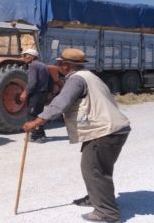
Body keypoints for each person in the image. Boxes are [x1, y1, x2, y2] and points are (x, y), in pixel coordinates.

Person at [22, 48, 131, 223]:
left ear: (66, 65)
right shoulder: (90, 76)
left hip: (104, 131)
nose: (57, 65)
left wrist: (35, 122)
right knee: (97, 168)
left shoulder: (76, 80)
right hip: (111, 129)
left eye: (59, 63)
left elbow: (60, 104)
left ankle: (108, 213)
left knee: (94, 170)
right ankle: (95, 198)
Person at [19, 48, 51, 143]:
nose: (23, 57)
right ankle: (40, 134)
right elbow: (50, 81)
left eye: (25, 55)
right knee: (39, 114)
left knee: (32, 115)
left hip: (36, 94)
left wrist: (25, 92)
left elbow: (32, 82)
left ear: (31, 56)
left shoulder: (33, 65)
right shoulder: (44, 65)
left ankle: (38, 136)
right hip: (42, 93)